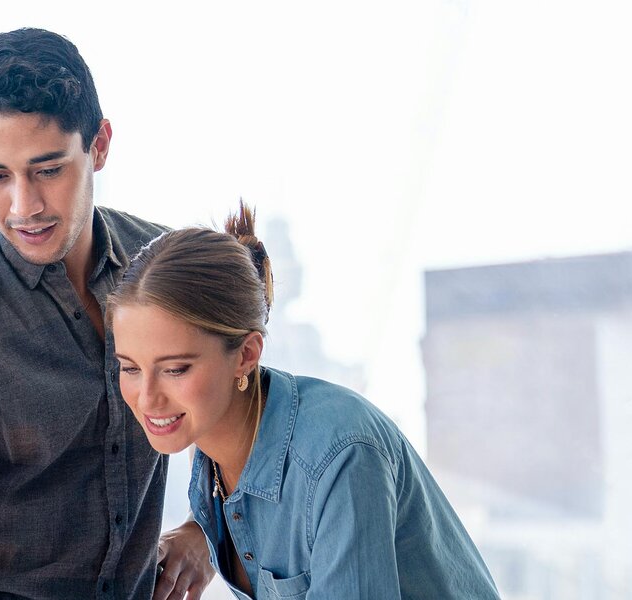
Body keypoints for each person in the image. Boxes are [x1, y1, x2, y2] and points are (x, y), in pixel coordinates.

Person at [0, 28, 213, 599]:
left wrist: (205, 524)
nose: (22, 207)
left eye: (48, 170)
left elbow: (241, 397)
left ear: (99, 144)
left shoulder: (167, 268)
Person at [108, 202, 500, 598]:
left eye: (175, 369)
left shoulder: (338, 459)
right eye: (130, 368)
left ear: (246, 354)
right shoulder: (211, 446)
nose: (147, 398)